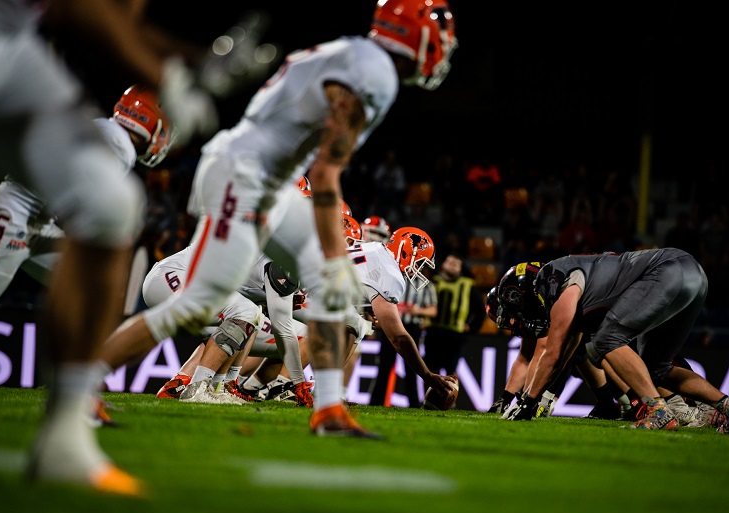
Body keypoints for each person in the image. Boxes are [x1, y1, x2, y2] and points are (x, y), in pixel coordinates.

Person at [97, 0, 459, 439]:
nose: (443, 46)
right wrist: (329, 249)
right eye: (438, 36)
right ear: (416, 36)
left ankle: (328, 411)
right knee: (198, 301)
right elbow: (325, 174)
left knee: (330, 294)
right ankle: (80, 384)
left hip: (268, 180)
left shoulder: (353, 54)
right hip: (245, 175)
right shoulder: (375, 74)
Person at [0, 0, 231, 496]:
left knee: (103, 250)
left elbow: (118, 19)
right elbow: (94, 13)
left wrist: (185, 62)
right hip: (11, 215)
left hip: (33, 218)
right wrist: (168, 71)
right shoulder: (116, 144)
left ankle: (74, 409)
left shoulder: (107, 133)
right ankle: (73, 410)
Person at [493, 253, 729, 434]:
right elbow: (563, 353)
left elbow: (552, 351)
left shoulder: (553, 280)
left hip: (667, 272)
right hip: (694, 276)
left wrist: (528, 401)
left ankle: (657, 410)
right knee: (656, 368)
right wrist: (532, 398)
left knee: (606, 341)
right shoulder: (567, 275)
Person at [350, 224, 455, 406]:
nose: (418, 270)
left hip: (307, 285)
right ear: (406, 253)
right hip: (311, 297)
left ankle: (297, 387)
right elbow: (398, 338)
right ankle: (319, 392)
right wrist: (427, 375)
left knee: (353, 322)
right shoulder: (391, 274)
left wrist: (366, 302)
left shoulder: (375, 248)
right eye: (419, 263)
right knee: (354, 325)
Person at [370, 257, 437, 407]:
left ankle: (413, 403)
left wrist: (417, 310)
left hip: (412, 327)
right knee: (384, 367)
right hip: (391, 324)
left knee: (412, 369)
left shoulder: (426, 285)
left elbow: (433, 310)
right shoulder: (393, 279)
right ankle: (375, 402)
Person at [423, 252, 486, 378]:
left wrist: (472, 327)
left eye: (456, 264)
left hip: (455, 335)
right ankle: (430, 397)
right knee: (431, 370)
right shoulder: (433, 282)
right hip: (434, 332)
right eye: (450, 263)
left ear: (460, 268)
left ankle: (450, 397)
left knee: (451, 369)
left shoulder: (468, 285)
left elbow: (480, 310)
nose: (452, 266)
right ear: (443, 265)